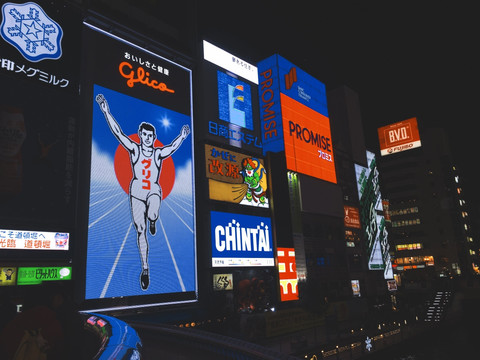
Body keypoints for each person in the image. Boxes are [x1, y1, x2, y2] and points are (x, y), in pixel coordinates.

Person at [96, 93, 190, 290]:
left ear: (154, 138)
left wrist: (182, 136)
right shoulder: (135, 149)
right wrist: (106, 112)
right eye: (144, 135)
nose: (147, 138)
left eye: (150, 136)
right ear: (140, 135)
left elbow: (172, 148)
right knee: (140, 229)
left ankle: (153, 219)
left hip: (153, 190)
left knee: (153, 213)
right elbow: (118, 133)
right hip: (137, 190)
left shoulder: (157, 153)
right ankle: (145, 268)